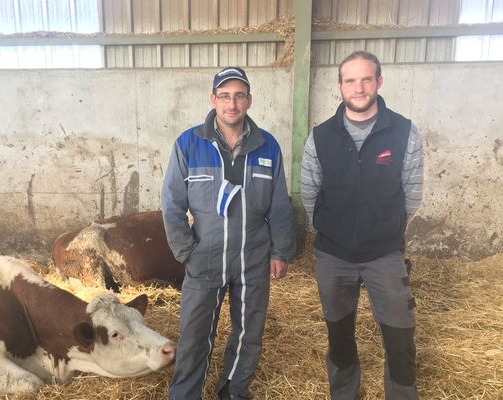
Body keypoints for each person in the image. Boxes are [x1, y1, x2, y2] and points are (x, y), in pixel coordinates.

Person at [162, 66, 296, 400]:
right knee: (194, 335)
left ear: (249, 100)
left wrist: (281, 251)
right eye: (224, 96)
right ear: (213, 100)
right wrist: (185, 251)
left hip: (253, 256)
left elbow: (280, 204)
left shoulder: (267, 146)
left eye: (238, 96)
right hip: (204, 256)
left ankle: (234, 391)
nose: (231, 104)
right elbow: (172, 203)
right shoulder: (189, 144)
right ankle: (185, 395)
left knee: (248, 333)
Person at [300, 51, 424, 399]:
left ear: (379, 82)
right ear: (340, 86)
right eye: (350, 80)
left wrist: (387, 229)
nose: (359, 87)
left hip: (385, 254)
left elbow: (412, 194)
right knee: (339, 336)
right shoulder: (320, 137)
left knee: (400, 337)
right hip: (333, 256)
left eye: (366, 79)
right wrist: (331, 231)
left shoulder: (404, 133)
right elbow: (309, 193)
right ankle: (344, 394)